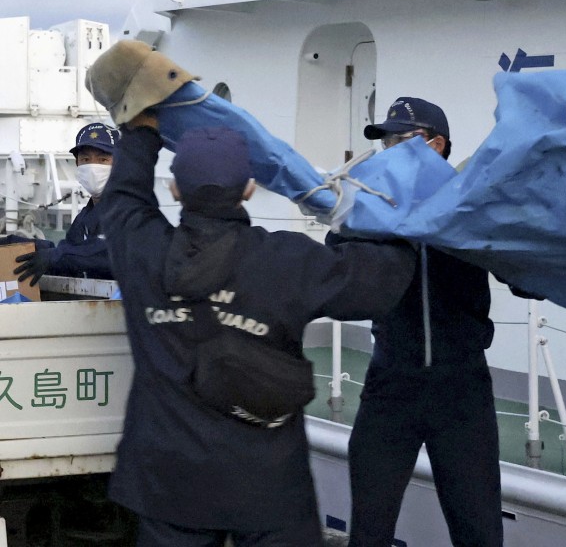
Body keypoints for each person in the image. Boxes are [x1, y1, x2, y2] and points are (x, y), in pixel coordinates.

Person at [101, 113, 417, 547]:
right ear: (249, 189)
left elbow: (123, 195)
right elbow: (380, 282)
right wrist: (387, 216)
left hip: (167, 481)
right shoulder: (287, 261)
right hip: (269, 485)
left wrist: (141, 130)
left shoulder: (142, 248)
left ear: (174, 190)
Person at [331, 97, 503, 547]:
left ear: (438, 145)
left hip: (461, 392)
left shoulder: (474, 206)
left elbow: (528, 275)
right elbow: (336, 270)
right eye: (386, 142)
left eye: (401, 141)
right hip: (390, 386)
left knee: (480, 534)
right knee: (368, 533)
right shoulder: (370, 211)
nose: (390, 151)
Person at [12, 122, 120, 284]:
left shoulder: (130, 210)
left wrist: (56, 256)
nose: (93, 167)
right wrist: (19, 246)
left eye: (103, 159)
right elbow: (71, 252)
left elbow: (108, 253)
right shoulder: (85, 217)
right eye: (85, 159)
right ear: (77, 164)